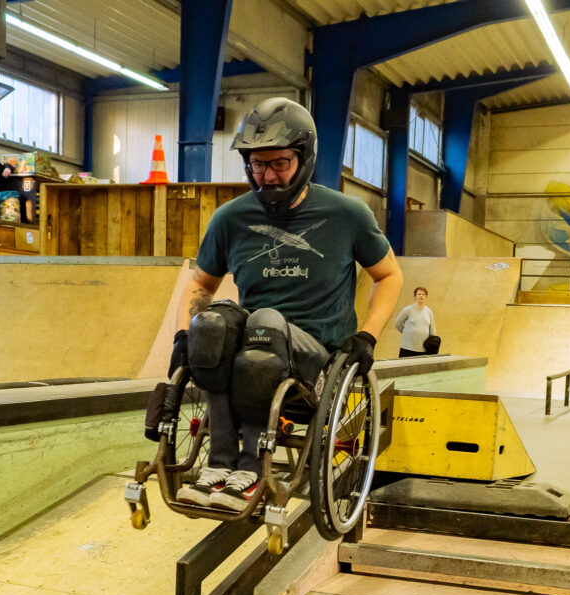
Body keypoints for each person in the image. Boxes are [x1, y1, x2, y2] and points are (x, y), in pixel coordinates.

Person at [169, 97, 402, 513]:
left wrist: (367, 336)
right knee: (211, 325)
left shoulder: (347, 213)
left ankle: (252, 468)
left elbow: (389, 275)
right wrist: (186, 333)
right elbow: (200, 283)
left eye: (279, 164)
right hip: (256, 346)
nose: (267, 176)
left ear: (304, 157)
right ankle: (218, 465)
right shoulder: (230, 218)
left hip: (316, 357)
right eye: (257, 165)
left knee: (265, 323)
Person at [394, 286, 436, 357]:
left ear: (426, 297)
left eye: (423, 294)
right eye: (419, 294)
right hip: (407, 348)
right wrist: (406, 332)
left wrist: (433, 344)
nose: (421, 296)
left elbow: (432, 329)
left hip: (423, 349)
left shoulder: (429, 312)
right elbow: (397, 323)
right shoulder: (408, 309)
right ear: (415, 296)